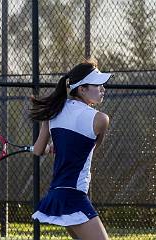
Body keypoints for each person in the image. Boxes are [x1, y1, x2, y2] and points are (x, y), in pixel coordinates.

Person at [30, 58, 111, 240]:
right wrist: (60, 148)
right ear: (82, 89)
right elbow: (90, 149)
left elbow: (37, 150)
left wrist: (54, 147)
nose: (102, 89)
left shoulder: (54, 111)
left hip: (57, 193)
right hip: (73, 196)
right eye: (97, 85)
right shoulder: (100, 119)